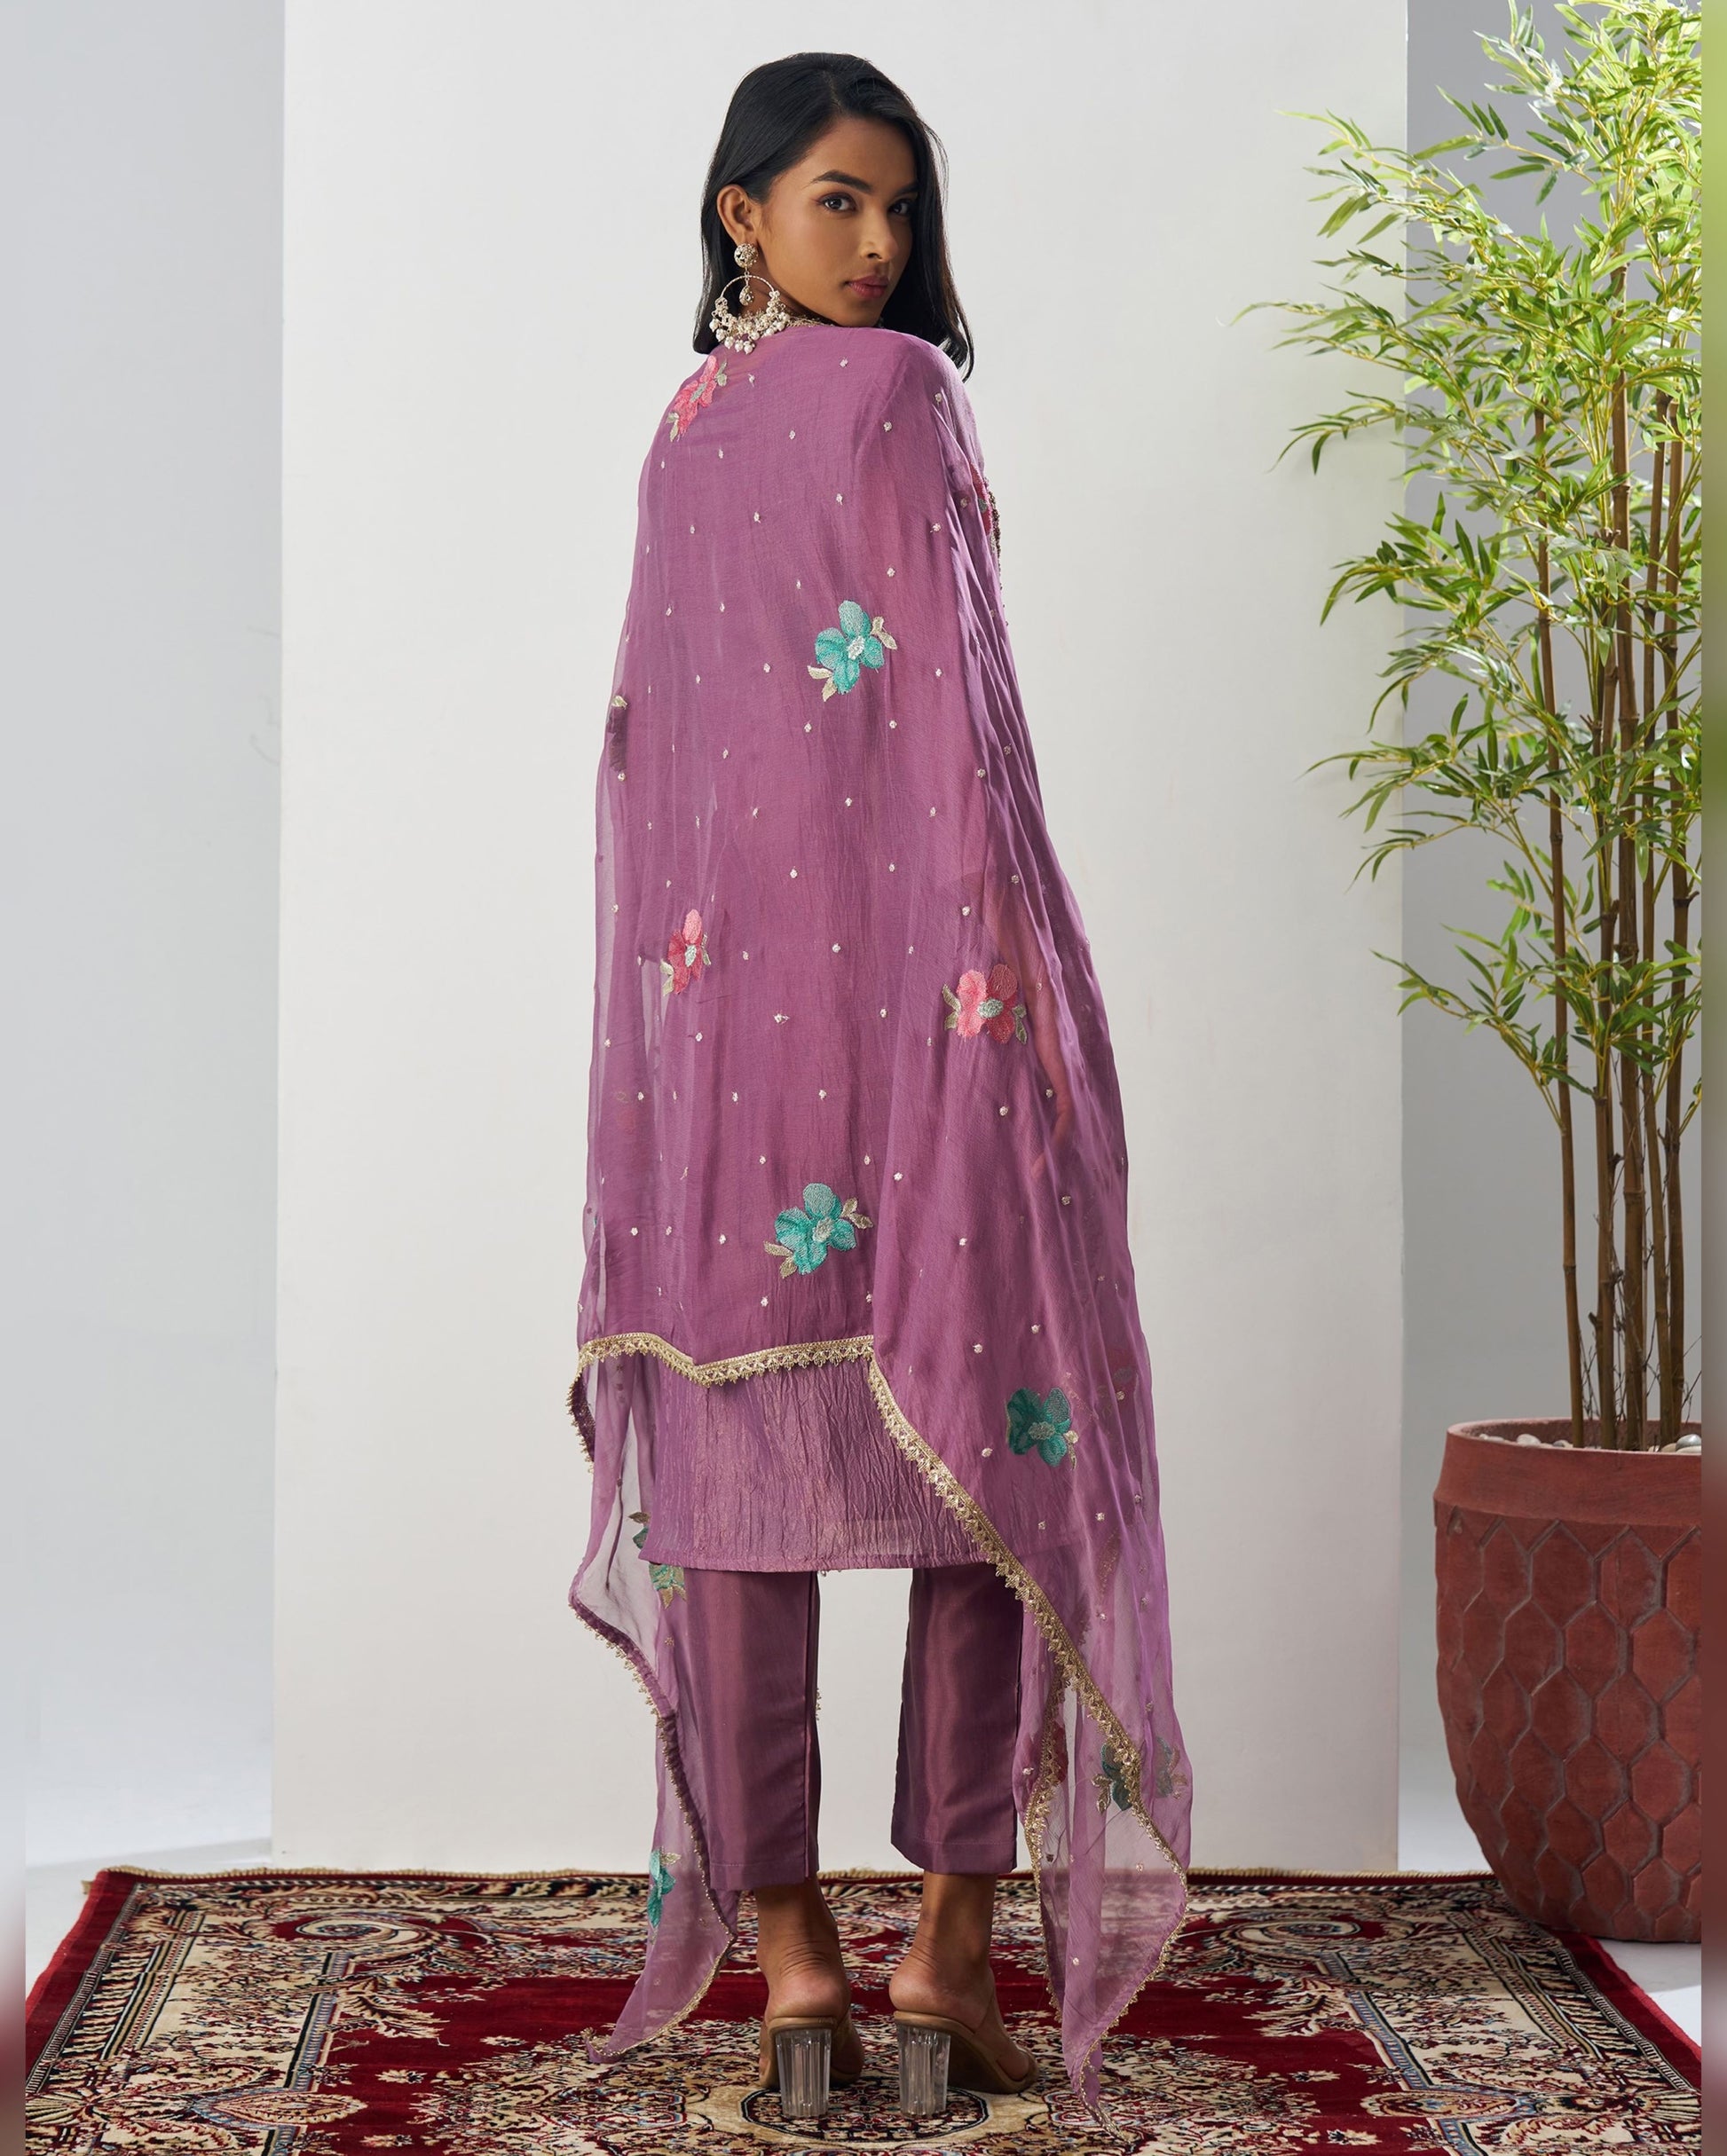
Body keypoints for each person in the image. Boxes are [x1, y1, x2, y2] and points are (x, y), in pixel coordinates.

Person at [566, 50, 1191, 2123]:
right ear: (739, 211)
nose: (882, 248)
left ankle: (800, 1974)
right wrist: (1013, 996)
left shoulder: (687, 426)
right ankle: (934, 1958)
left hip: (733, 1049)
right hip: (927, 1016)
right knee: (973, 1466)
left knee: (749, 1493)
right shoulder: (906, 398)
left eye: (898, 211)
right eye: (838, 204)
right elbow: (960, 737)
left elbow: (654, 779)